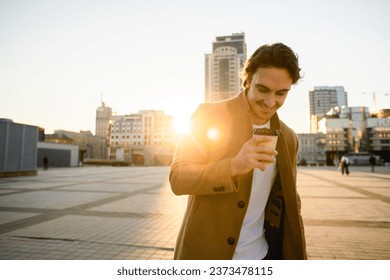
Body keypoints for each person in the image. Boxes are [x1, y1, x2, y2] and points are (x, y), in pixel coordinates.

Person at [169, 43, 307, 260]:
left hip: (261, 255)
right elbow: (178, 179)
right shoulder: (208, 115)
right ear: (247, 80)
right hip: (205, 255)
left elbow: (290, 203)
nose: (271, 102)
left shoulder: (288, 137)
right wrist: (232, 166)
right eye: (263, 89)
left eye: (281, 93)